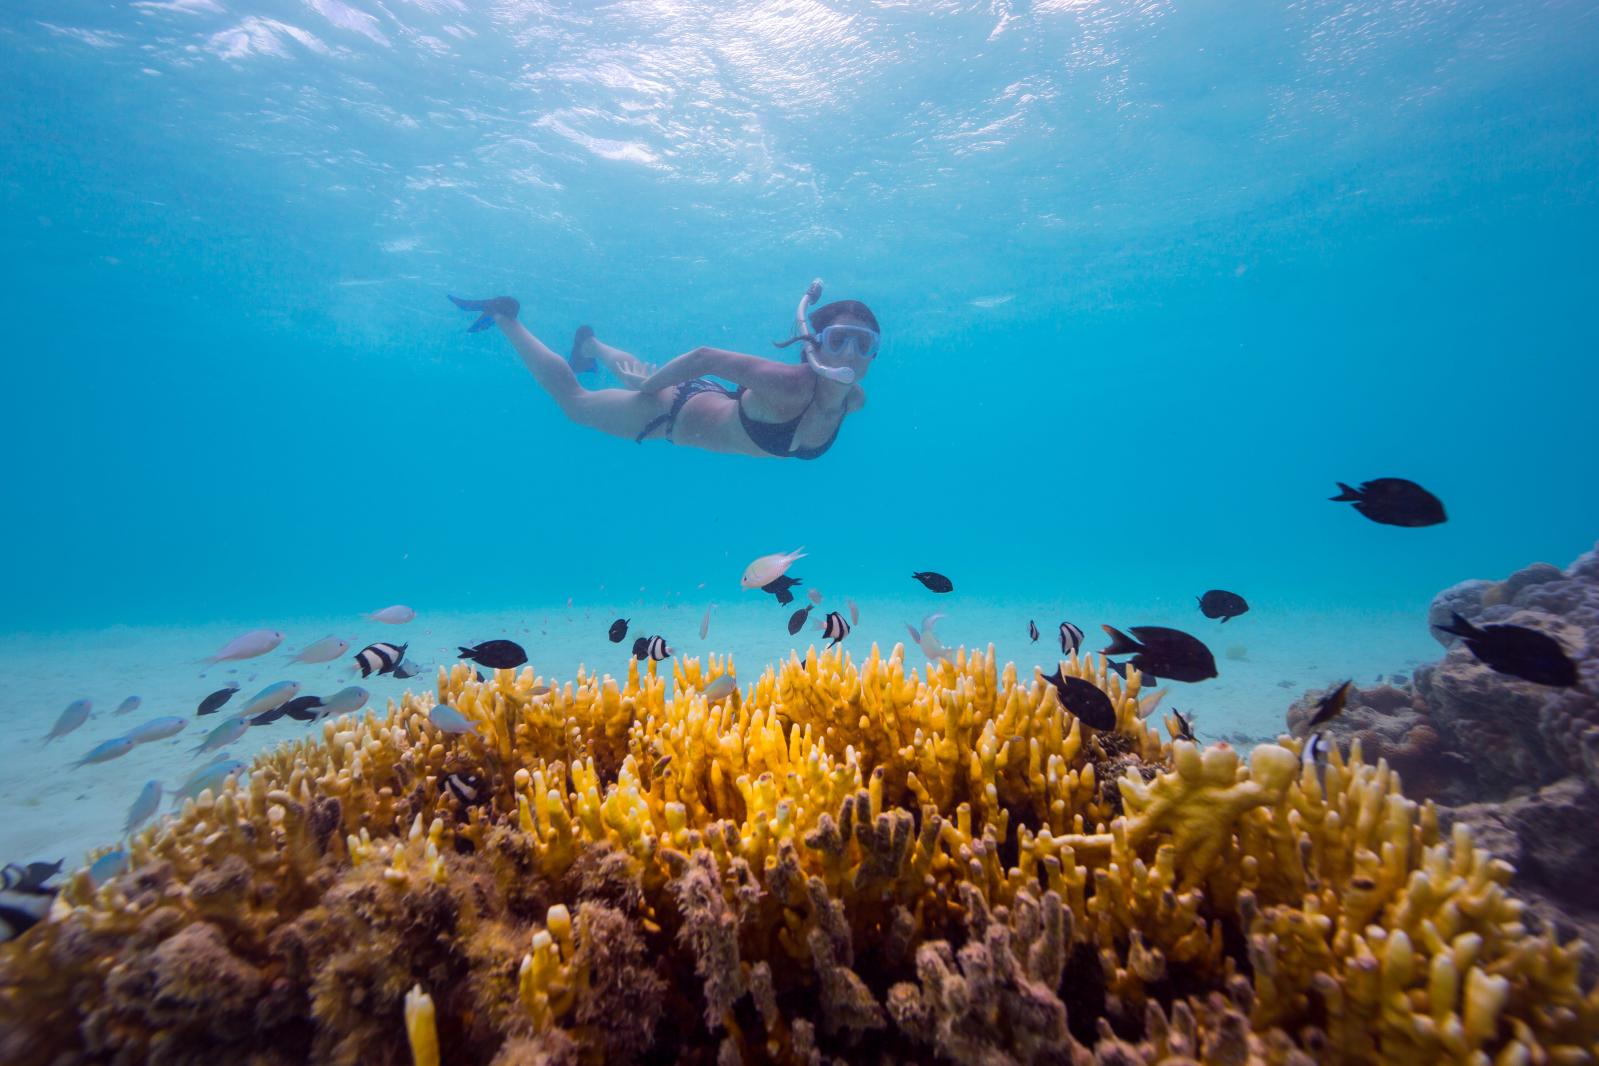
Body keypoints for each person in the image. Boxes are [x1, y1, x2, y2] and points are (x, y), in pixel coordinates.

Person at [448, 280, 878, 460]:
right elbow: (706, 355)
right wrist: (650, 384)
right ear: (813, 344)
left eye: (865, 344)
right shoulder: (786, 384)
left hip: (703, 397)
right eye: (840, 339)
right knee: (574, 404)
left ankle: (590, 343)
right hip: (665, 415)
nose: (850, 355)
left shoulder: (853, 401)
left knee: (643, 383)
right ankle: (507, 317)